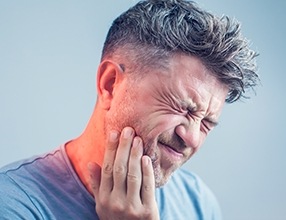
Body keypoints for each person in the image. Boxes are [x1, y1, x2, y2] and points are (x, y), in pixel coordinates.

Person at [0, 0, 259, 219]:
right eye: (182, 108)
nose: (191, 137)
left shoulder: (199, 203)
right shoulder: (13, 205)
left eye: (206, 124)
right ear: (110, 85)